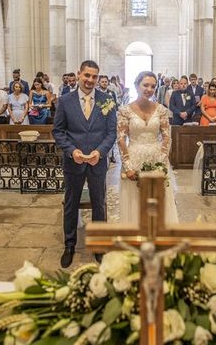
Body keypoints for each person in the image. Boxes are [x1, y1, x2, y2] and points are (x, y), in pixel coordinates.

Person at [53, 60, 117, 267]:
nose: (90, 80)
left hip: (97, 162)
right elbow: (58, 131)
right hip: (74, 162)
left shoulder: (107, 100)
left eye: (94, 77)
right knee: (71, 203)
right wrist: (72, 151)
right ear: (79, 74)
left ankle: (99, 245)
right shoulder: (65, 101)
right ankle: (69, 244)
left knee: (99, 203)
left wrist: (100, 151)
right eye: (87, 75)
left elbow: (111, 132)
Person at [117, 71, 178, 225]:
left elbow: (166, 137)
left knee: (157, 200)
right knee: (135, 200)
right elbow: (121, 139)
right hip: (134, 159)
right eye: (145, 85)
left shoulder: (161, 110)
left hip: (156, 158)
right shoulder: (125, 111)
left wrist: (161, 164)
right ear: (137, 86)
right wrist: (128, 166)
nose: (149, 89)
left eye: (153, 86)